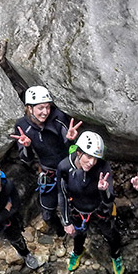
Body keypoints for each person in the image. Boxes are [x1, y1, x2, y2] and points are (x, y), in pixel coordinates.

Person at [11, 86, 81, 236]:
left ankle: (78, 232)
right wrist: (27, 147)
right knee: (47, 214)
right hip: (48, 173)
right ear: (29, 108)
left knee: (74, 205)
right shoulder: (22, 126)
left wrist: (70, 140)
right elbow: (26, 158)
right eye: (40, 108)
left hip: (67, 170)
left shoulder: (58, 118)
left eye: (48, 107)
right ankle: (61, 234)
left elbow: (72, 150)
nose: (45, 112)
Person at [57, 131, 124, 274]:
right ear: (79, 152)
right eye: (88, 156)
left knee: (111, 234)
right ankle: (77, 252)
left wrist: (103, 190)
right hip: (77, 209)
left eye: (95, 158)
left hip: (99, 209)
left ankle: (116, 255)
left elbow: (109, 199)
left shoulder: (103, 167)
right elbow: (61, 193)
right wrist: (66, 221)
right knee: (79, 235)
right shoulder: (64, 167)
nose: (92, 162)